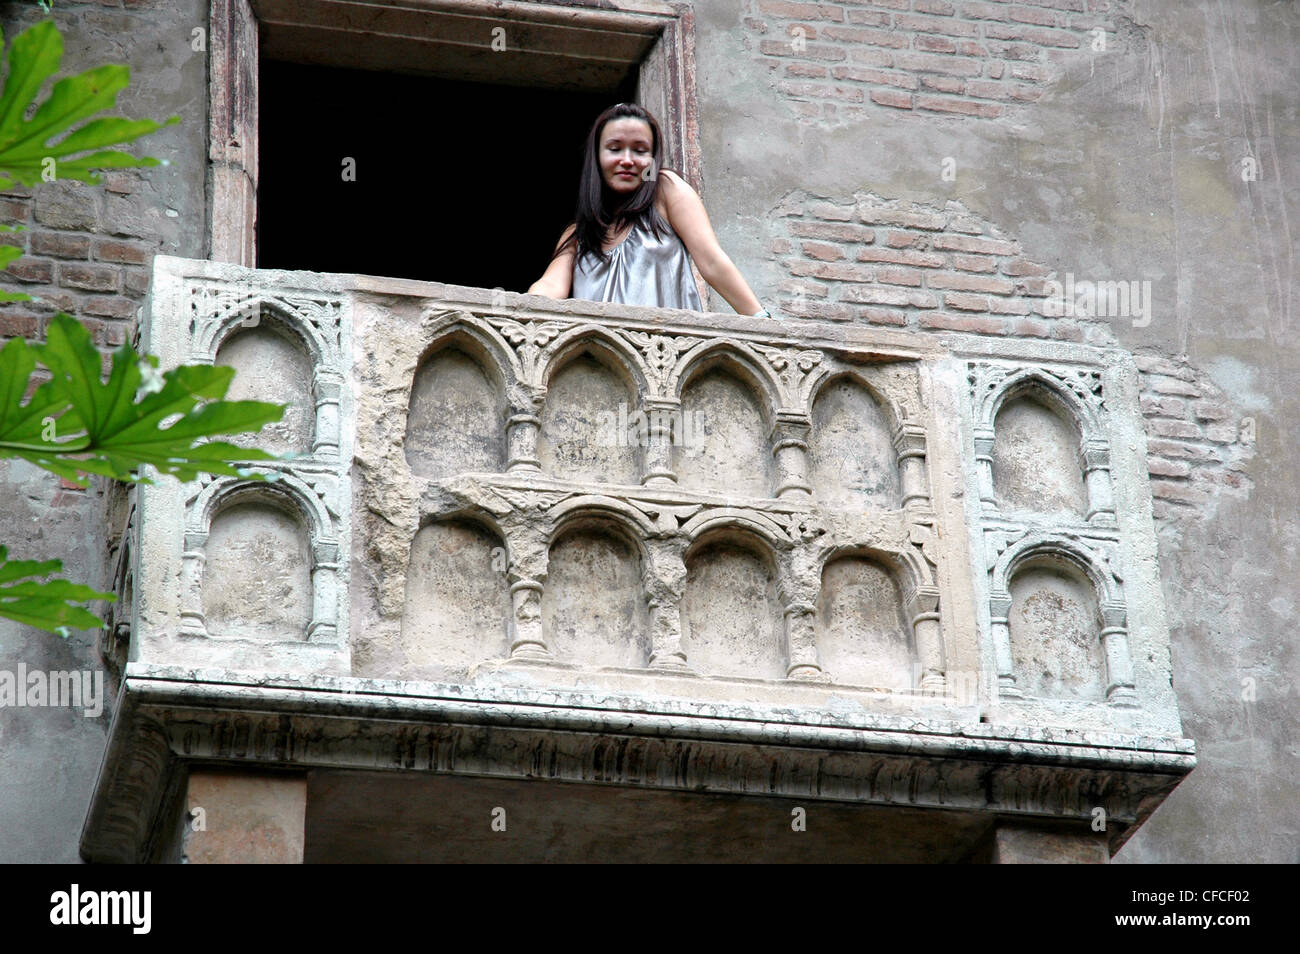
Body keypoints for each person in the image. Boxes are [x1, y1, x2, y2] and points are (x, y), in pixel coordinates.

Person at [528, 103, 772, 318]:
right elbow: (550, 287)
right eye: (614, 148)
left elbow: (711, 261)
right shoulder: (578, 235)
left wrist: (760, 319)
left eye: (640, 150)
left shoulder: (666, 191)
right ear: (596, 157)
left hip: (667, 353)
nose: (627, 160)